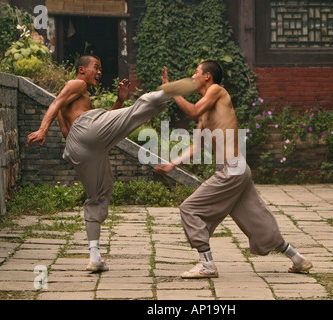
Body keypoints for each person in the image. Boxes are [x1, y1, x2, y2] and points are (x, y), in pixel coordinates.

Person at [27, 54, 196, 272]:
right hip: (86, 132)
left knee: (98, 195)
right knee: (137, 110)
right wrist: (42, 129)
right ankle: (167, 90)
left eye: (100, 68)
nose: (99, 72)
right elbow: (58, 103)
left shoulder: (73, 103)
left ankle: (95, 256)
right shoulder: (76, 84)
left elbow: (100, 128)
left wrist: (120, 101)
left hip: (77, 146)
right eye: (95, 67)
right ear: (81, 70)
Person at [154, 61, 313, 278]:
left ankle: (207, 265)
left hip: (231, 170)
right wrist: (173, 164)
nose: (193, 75)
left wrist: (171, 90)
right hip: (238, 169)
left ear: (208, 76)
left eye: (197, 72)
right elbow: (197, 145)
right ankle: (298, 258)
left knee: (189, 209)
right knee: (256, 219)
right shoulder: (205, 111)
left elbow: (191, 111)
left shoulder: (217, 91)